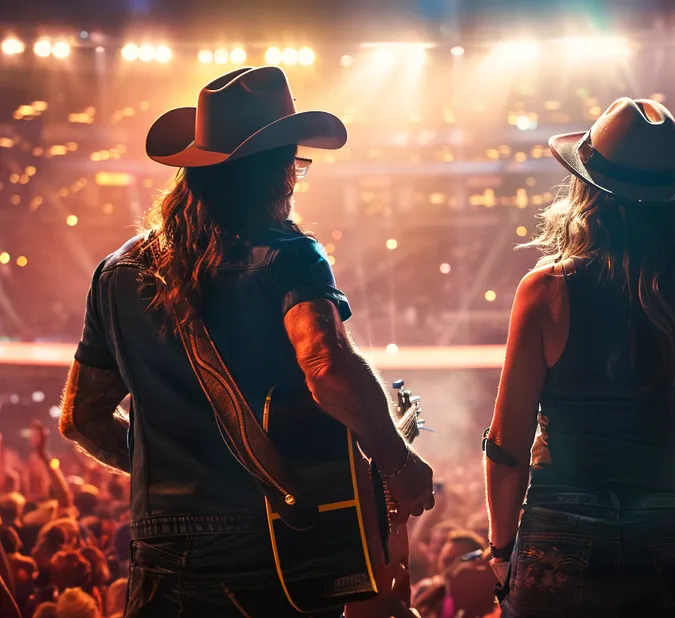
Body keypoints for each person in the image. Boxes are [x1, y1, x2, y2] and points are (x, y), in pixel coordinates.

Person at [58, 66, 435, 617]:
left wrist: (165, 471)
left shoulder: (118, 273)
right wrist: (397, 462)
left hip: (156, 553)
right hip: (268, 550)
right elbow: (325, 366)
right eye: (295, 165)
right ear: (279, 170)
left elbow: (81, 419)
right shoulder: (288, 255)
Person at [484, 97, 675, 617]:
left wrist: (500, 547)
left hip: (557, 535)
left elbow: (507, 443)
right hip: (669, 535)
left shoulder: (547, 292)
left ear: (587, 192)